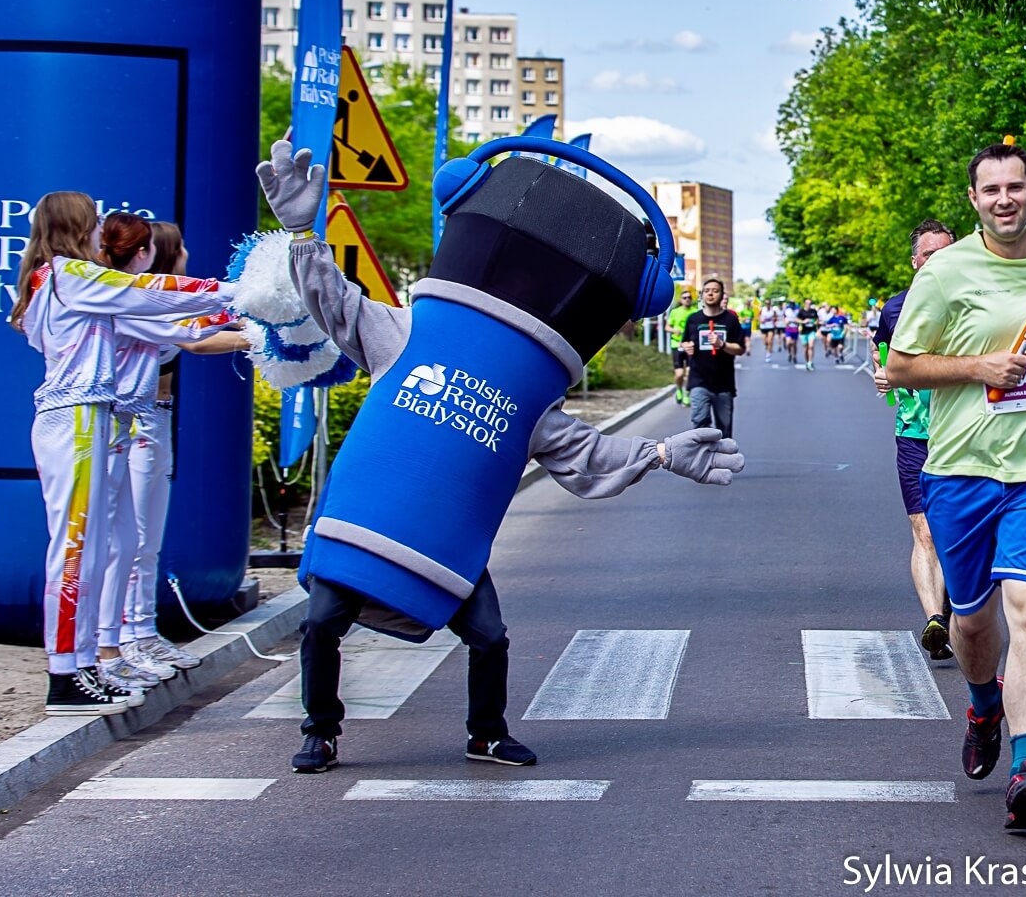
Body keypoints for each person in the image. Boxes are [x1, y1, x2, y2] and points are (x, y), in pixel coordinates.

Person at [257, 140, 743, 775]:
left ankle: (486, 734)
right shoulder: (405, 333)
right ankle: (320, 732)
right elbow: (333, 301)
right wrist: (301, 235)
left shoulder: (530, 394)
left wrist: (660, 452)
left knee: (489, 636)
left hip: (447, 545)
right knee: (321, 623)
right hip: (364, 525)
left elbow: (588, 456)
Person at [888, 142, 1026, 831]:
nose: (1005, 199)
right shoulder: (945, 272)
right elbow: (901, 367)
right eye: (992, 190)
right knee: (974, 622)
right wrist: (976, 366)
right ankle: (984, 705)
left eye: (1016, 187)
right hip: (962, 471)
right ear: (975, 199)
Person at [11, 193, 235, 716]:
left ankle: (82, 665)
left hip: (91, 419)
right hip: (77, 419)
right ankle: (65, 676)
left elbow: (160, 313)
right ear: (76, 226)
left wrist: (234, 306)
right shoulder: (69, 275)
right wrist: (240, 291)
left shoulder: (61, 280)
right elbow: (150, 291)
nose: (98, 231)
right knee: (76, 550)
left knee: (95, 549)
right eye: (93, 222)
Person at [872, 219, 956, 660]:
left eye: (946, 252)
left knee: (956, 532)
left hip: (964, 434)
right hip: (914, 434)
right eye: (930, 254)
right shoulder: (894, 309)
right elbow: (881, 350)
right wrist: (882, 374)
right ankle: (935, 620)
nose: (938, 260)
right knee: (924, 530)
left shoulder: (972, 304)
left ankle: (955, 606)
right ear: (915, 261)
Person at [681, 278, 745, 439]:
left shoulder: (730, 320)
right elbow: (685, 342)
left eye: (715, 291)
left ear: (722, 295)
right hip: (699, 380)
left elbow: (740, 349)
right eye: (707, 291)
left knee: (724, 431)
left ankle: (721, 456)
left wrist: (722, 344)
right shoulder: (693, 319)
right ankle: (704, 454)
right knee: (699, 423)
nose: (710, 294)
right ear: (702, 295)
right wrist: (687, 346)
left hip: (724, 383)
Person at [667, 288, 697, 405]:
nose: (687, 300)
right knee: (679, 374)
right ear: (681, 300)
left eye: (689, 297)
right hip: (677, 344)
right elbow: (667, 327)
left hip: (690, 345)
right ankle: (679, 389)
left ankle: (686, 394)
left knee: (689, 372)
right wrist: (675, 330)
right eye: (685, 298)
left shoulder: (695, 312)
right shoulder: (675, 312)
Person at [797, 301, 819, 369]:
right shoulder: (801, 311)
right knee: (806, 348)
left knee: (811, 346)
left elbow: (817, 320)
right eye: (807, 303)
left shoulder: (813, 311)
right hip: (804, 332)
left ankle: (810, 362)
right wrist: (803, 321)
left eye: (810, 303)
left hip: (812, 331)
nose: (808, 305)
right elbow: (797, 319)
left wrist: (814, 322)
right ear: (804, 304)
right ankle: (807, 361)